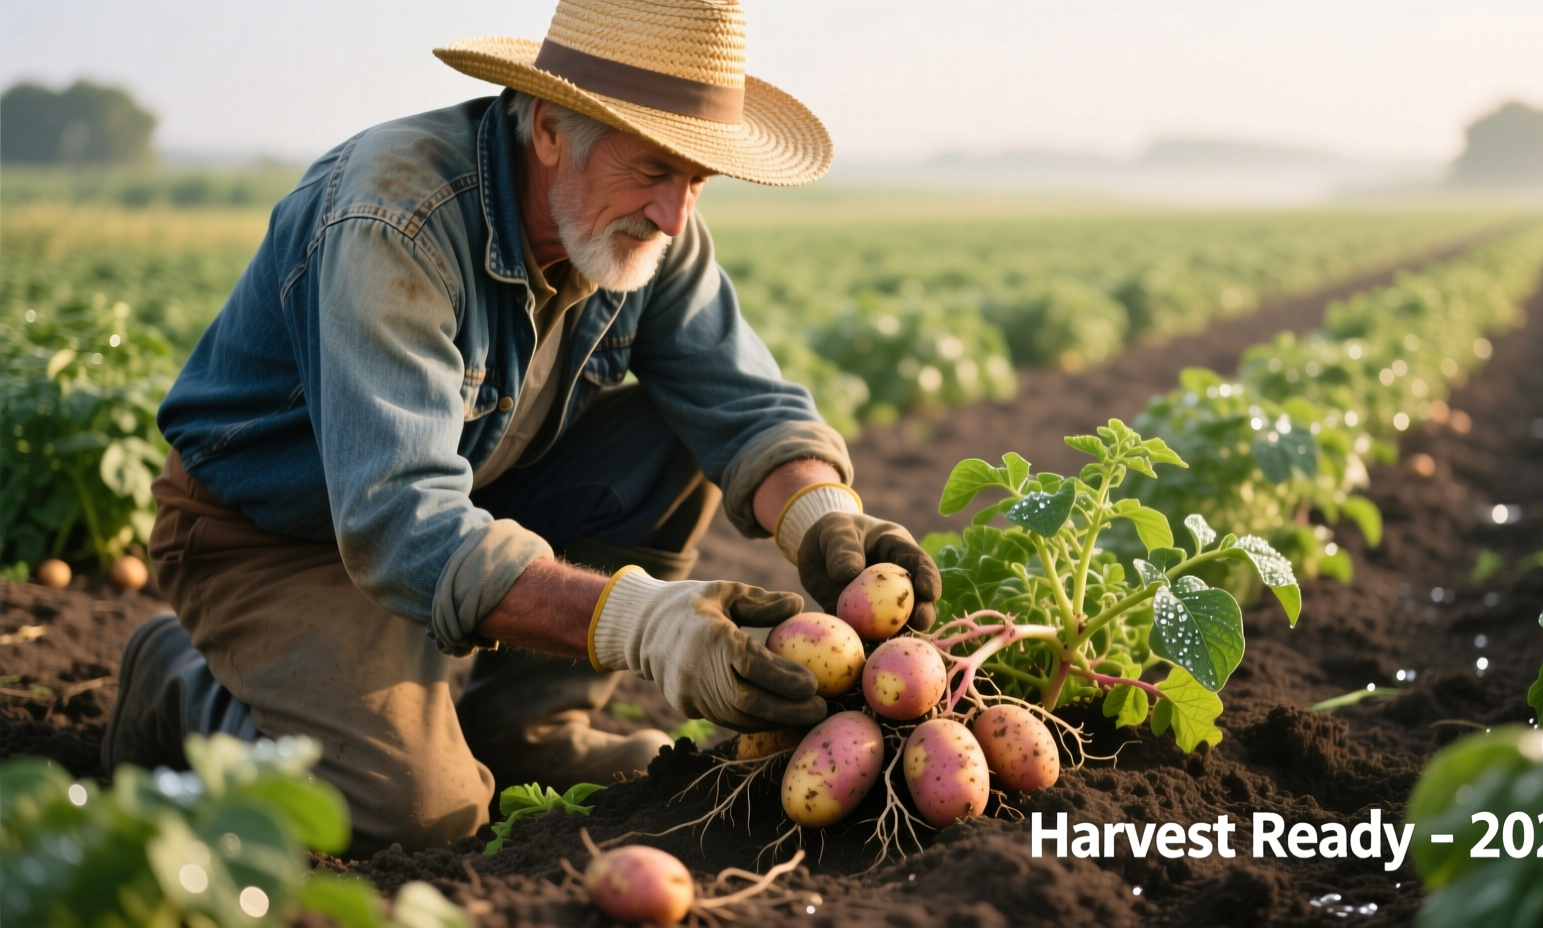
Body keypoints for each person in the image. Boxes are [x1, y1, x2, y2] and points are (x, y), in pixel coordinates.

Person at [101, 0, 939, 857]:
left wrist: (825, 517)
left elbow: (743, 401)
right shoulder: (396, 219)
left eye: (697, 180)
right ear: (547, 127)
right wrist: (647, 625)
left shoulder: (647, 223)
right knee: (410, 815)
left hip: (466, 496)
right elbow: (399, 523)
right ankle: (179, 685)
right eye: (654, 167)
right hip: (276, 533)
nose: (674, 215)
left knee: (667, 432)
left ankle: (525, 724)